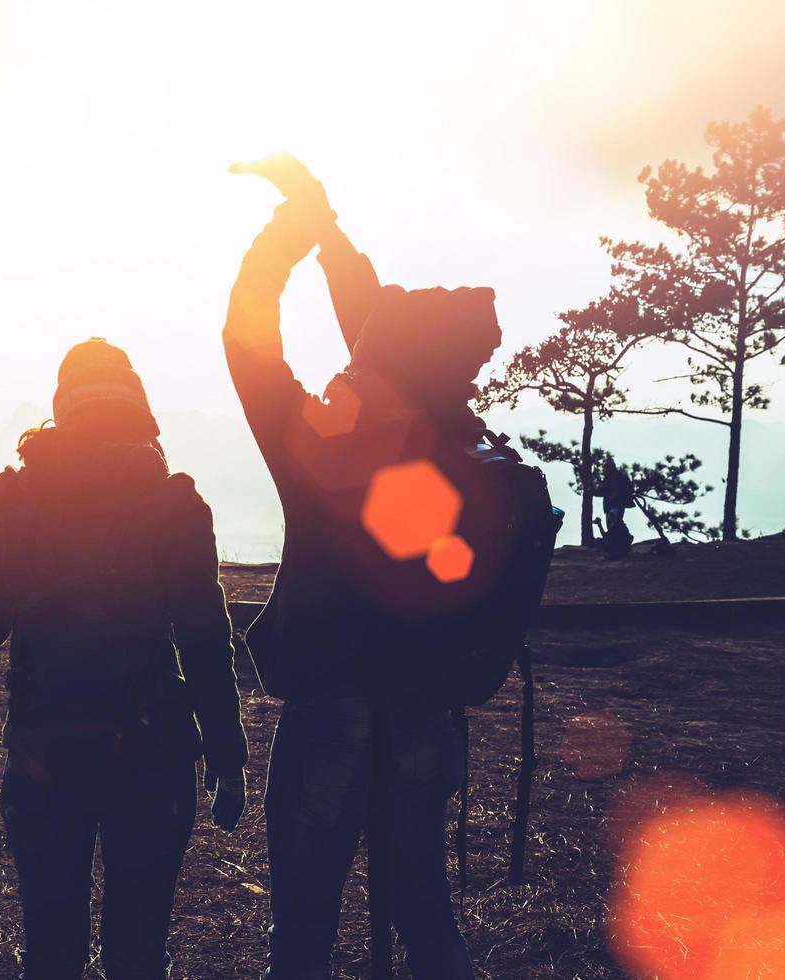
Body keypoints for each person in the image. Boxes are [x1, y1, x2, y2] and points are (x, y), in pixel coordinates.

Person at [225, 154, 495, 979]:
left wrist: (293, 231)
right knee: (426, 919)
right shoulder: (463, 447)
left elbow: (247, 334)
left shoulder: (323, 448)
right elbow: (390, 343)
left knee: (302, 933)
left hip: (334, 715)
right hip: (426, 714)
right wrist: (329, 229)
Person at [0, 338, 248, 980]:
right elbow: (204, 639)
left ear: (63, 410)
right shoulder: (174, 502)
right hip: (152, 751)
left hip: (43, 749)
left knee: (51, 953)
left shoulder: (18, 495)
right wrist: (227, 753)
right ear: (139, 412)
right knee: (139, 953)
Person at [596, 457, 635, 559]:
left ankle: (619, 550)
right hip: (609, 506)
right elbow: (601, 491)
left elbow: (630, 489)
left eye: (606, 468)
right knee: (612, 528)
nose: (605, 470)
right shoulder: (608, 480)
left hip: (618, 505)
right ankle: (615, 549)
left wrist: (618, 494)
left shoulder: (621, 478)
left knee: (615, 526)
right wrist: (591, 491)